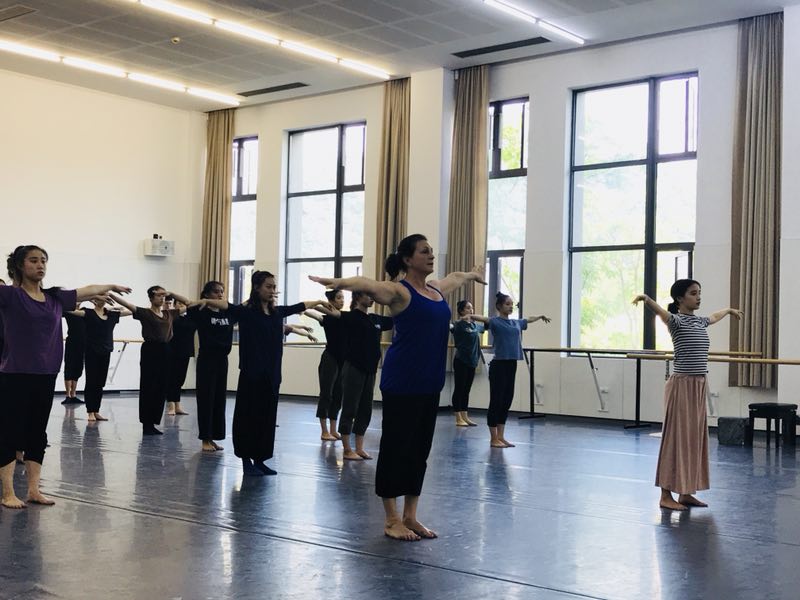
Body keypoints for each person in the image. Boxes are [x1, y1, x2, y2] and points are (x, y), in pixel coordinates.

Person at [310, 233, 485, 541]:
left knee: (419, 452)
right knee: (395, 449)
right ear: (407, 259)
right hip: (402, 382)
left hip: (430, 382)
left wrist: (472, 274)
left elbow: (456, 277)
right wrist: (339, 282)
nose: (431, 255)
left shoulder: (436, 290)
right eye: (424, 251)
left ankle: (411, 516)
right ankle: (391, 519)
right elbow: (367, 284)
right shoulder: (399, 292)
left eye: (431, 251)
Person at [0, 244, 130, 508]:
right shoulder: (10, 296)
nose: (40, 265)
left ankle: (34, 490)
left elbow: (86, 290)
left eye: (43, 260)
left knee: (37, 433)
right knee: (10, 432)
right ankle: (8, 493)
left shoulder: (55, 298)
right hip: (15, 373)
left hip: (46, 373)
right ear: (20, 266)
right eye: (33, 260)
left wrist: (110, 286)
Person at [198, 270, 331, 476]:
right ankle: (246, 462)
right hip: (251, 375)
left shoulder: (277, 313)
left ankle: (260, 460)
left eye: (274, 287)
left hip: (272, 376)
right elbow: (227, 306)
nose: (272, 290)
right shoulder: (247, 312)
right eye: (268, 286)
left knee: (266, 420)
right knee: (248, 418)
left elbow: (298, 306)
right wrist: (207, 301)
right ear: (257, 288)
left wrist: (318, 302)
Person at [633, 280, 742, 511]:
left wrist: (728, 310)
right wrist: (646, 299)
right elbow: (661, 313)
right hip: (682, 385)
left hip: (698, 385)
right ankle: (665, 495)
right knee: (675, 439)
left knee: (693, 439)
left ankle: (685, 492)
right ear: (680, 299)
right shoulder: (676, 321)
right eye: (693, 293)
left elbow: (713, 316)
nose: (698, 297)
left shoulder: (700, 321)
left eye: (699, 293)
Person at [110, 287, 191, 436]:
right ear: (151, 298)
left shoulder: (169, 314)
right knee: (149, 386)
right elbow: (127, 304)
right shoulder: (145, 313)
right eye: (158, 295)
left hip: (166, 350)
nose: (162, 298)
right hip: (150, 350)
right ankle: (146, 424)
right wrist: (110, 293)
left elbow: (189, 304)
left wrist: (172, 293)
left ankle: (153, 422)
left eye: (163, 295)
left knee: (161, 386)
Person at [486, 292, 550, 448]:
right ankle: (493, 438)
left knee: (506, 400)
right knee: (496, 401)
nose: (510, 307)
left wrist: (540, 316)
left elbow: (528, 319)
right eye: (507, 304)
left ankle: (501, 436)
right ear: (499, 306)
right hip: (498, 366)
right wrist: (469, 316)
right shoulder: (495, 322)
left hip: (511, 364)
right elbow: (483, 319)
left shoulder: (516, 323)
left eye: (511, 304)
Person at [335, 291, 393, 460]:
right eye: (368, 295)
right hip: (354, 368)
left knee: (365, 409)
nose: (371, 298)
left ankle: (359, 448)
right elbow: (332, 313)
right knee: (350, 407)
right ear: (358, 297)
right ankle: (347, 449)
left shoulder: (375, 319)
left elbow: (396, 319)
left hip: (370, 370)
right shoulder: (351, 317)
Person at [186, 281, 235, 452]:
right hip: (207, 360)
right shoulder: (201, 312)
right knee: (206, 398)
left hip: (222, 360)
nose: (220, 294)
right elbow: (187, 303)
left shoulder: (228, 312)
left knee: (219, 399)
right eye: (216, 292)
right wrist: (202, 302)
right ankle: (205, 438)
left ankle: (213, 437)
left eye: (222, 291)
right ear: (206, 294)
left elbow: (244, 306)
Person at [65, 299, 132, 421]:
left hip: (106, 352)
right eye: (99, 298)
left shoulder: (111, 315)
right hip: (92, 352)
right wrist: (86, 297)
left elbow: (131, 310)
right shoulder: (88, 313)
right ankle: (90, 411)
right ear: (94, 300)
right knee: (91, 382)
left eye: (104, 298)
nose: (102, 300)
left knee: (100, 383)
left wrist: (114, 302)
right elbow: (70, 311)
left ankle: (96, 410)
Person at [304, 289, 346, 441]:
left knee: (338, 395)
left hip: (342, 360)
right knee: (326, 395)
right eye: (339, 298)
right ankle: (324, 431)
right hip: (330, 359)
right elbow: (309, 311)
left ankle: (333, 430)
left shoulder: (345, 317)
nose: (342, 300)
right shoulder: (326, 319)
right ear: (332, 301)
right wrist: (318, 305)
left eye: (343, 298)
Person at [450, 300, 485, 427]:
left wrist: (474, 317)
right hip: (461, 361)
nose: (471, 310)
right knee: (459, 388)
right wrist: (461, 320)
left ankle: (465, 415)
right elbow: (450, 326)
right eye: (468, 308)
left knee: (466, 390)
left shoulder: (474, 325)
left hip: (472, 361)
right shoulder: (458, 325)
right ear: (461, 311)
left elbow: (487, 324)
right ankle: (458, 417)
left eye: (472, 308)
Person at [165, 295, 196, 417]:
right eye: (179, 303)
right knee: (171, 378)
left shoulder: (191, 318)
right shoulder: (171, 316)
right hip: (172, 350)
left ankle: (177, 405)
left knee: (180, 379)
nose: (182, 305)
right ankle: (171, 405)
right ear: (175, 305)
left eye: (183, 304)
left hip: (185, 351)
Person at [62, 307, 86, 405]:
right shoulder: (69, 312)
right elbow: (60, 310)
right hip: (71, 343)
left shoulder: (85, 312)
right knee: (69, 367)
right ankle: (68, 395)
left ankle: (73, 394)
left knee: (78, 368)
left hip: (82, 344)